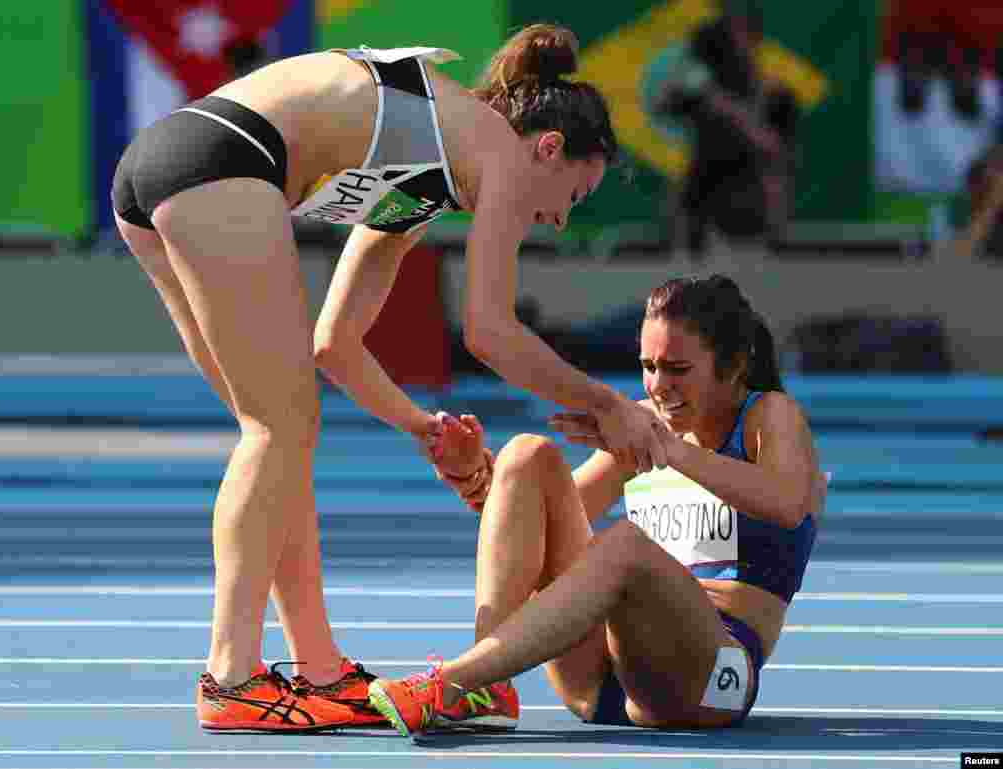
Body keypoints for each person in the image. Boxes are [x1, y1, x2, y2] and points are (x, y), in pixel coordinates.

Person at [111, 23, 669, 733]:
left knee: (280, 440)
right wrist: (607, 404)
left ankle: (321, 668)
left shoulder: (425, 172)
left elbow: (335, 342)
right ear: (548, 148)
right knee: (278, 428)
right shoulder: (498, 149)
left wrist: (424, 428)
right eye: (573, 196)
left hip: (167, 164)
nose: (557, 219)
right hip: (221, 159)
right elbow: (489, 330)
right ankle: (231, 676)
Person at [367, 274, 826, 736]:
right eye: (649, 366)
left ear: (733, 364)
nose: (658, 386)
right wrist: (475, 478)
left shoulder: (769, 415)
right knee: (527, 454)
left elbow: (786, 503)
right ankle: (488, 688)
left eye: (677, 369)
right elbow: (536, 528)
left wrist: (671, 450)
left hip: (710, 679)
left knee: (626, 543)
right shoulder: (647, 424)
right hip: (602, 676)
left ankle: (455, 681)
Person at [645, 1, 799, 256]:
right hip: (714, 126)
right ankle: (685, 234)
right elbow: (707, 95)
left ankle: (773, 232)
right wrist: (752, 128)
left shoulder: (749, 40)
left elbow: (750, 88)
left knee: (773, 142)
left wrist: (760, 118)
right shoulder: (707, 40)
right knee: (711, 154)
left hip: (733, 125)